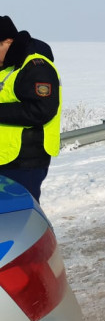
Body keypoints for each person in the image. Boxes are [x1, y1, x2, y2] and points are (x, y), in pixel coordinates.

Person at [0, 15, 61, 202]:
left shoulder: (36, 66)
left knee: (18, 213)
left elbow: (42, 110)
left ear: (8, 41)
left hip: (24, 161)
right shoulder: (8, 67)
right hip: (5, 157)